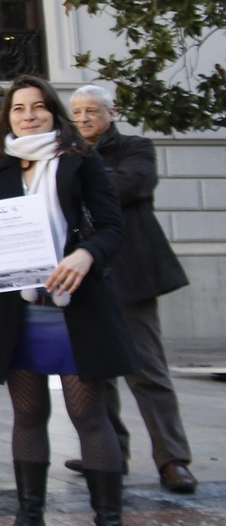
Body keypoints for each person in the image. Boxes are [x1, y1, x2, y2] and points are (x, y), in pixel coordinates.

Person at [0, 76, 138, 526]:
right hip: (21, 313)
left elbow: (112, 228)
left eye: (38, 107)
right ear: (7, 118)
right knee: (28, 415)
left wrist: (85, 257)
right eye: (19, 109)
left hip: (75, 309)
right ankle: (30, 520)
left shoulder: (80, 162)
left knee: (87, 415)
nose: (29, 115)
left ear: (54, 113)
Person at [68, 85, 198, 494]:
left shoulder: (134, 147)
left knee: (148, 372)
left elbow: (131, 186)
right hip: (86, 278)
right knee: (98, 373)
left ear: (111, 113)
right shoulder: (67, 154)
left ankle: (173, 459)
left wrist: (86, 182)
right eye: (77, 113)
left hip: (131, 276)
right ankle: (108, 455)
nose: (84, 119)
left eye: (92, 111)